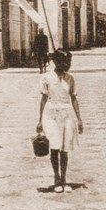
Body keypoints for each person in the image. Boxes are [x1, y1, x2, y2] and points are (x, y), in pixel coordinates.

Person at [37, 50, 84, 193]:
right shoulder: (46, 78)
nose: (68, 65)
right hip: (50, 115)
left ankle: (64, 179)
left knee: (65, 148)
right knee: (54, 147)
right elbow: (44, 99)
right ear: (56, 62)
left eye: (69, 62)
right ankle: (56, 179)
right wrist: (39, 121)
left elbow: (74, 99)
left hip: (67, 115)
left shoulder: (70, 78)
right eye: (65, 62)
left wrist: (79, 119)